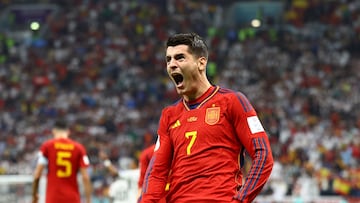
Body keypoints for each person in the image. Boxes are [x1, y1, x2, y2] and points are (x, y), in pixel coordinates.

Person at [140, 32, 274, 203]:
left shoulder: (232, 102)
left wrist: (240, 200)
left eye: (180, 58)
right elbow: (157, 173)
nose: (172, 64)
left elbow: (263, 155)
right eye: (168, 59)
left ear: (201, 63)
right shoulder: (169, 115)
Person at [32, 119, 92, 203]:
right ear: (68, 132)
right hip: (72, 198)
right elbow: (85, 177)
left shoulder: (47, 146)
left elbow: (37, 174)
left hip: (53, 198)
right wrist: (88, 200)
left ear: (53, 131)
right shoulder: (79, 148)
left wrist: (34, 196)